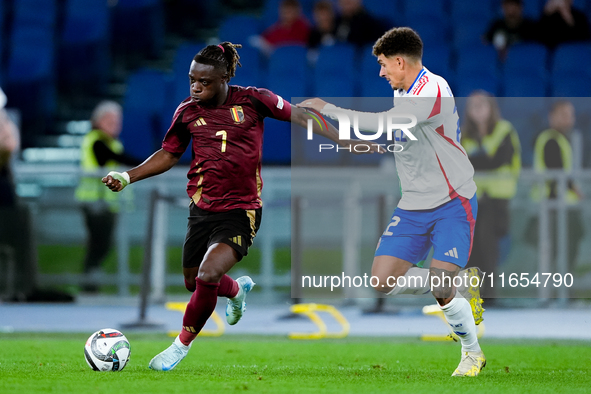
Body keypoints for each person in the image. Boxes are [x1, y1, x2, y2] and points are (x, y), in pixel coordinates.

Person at [102, 41, 379, 371]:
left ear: (224, 79)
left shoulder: (253, 99)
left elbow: (303, 115)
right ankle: (235, 291)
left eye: (204, 82)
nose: (195, 87)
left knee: (207, 274)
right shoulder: (187, 111)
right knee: (195, 282)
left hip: (241, 209)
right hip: (202, 208)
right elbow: (169, 154)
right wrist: (128, 176)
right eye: (192, 79)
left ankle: (179, 347)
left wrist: (344, 138)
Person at [298, 27, 486, 377]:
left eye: (384, 65)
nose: (381, 72)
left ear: (400, 61)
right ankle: (463, 286)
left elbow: (385, 122)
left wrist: (330, 108)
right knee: (382, 281)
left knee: (441, 288)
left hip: (452, 201)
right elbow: (408, 138)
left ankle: (472, 353)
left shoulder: (434, 89)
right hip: (414, 204)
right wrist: (366, 145)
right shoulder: (407, 93)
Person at [461, 91, 521, 302]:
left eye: (481, 105)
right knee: (470, 248)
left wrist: (475, 161)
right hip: (472, 201)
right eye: (472, 105)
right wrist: (481, 159)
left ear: (490, 108)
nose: (477, 109)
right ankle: (470, 296)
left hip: (496, 200)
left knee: (488, 247)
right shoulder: (465, 135)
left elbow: (499, 161)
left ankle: (490, 296)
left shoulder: (504, 130)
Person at [75, 101, 140, 292]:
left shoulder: (112, 143)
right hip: (95, 203)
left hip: (108, 204)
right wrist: (148, 165)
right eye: (110, 120)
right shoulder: (95, 140)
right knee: (99, 245)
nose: (115, 124)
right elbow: (110, 158)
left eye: (117, 120)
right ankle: (89, 285)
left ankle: (90, 284)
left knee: (102, 245)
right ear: (99, 120)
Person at [530, 100, 584, 274]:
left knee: (565, 250)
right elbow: (556, 172)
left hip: (562, 205)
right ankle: (553, 296)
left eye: (570, 115)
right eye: (563, 115)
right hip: (554, 205)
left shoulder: (561, 139)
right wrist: (574, 189)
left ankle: (561, 293)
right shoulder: (550, 139)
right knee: (554, 252)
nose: (568, 119)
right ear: (552, 117)